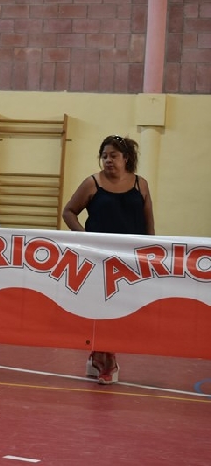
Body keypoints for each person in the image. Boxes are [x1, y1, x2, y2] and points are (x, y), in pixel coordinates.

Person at [62, 135, 155, 385]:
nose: (108, 160)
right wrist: (85, 237)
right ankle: (106, 358)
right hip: (99, 258)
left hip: (130, 258)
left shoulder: (141, 184)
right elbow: (68, 212)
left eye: (113, 155)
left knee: (121, 308)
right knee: (100, 307)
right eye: (104, 156)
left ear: (126, 158)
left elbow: (149, 222)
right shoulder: (92, 183)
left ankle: (100, 354)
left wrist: (150, 252)